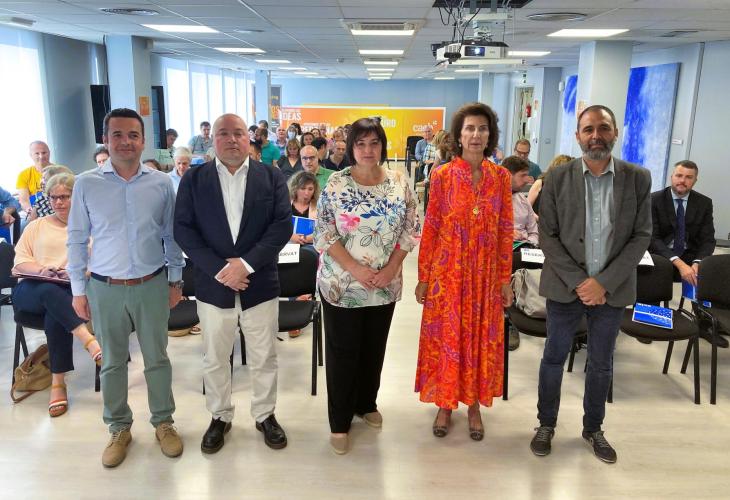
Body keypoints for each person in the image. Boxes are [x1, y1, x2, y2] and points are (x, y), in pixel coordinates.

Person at [531, 105, 652, 464]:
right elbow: (548, 236)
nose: (596, 135)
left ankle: (593, 428)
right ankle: (546, 424)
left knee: (601, 362)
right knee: (554, 357)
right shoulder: (557, 177)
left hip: (611, 291)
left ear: (615, 132)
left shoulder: (637, 178)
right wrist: (581, 282)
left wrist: (603, 283)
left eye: (603, 128)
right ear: (578, 135)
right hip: (565, 287)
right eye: (588, 129)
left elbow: (641, 235)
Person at [67, 107, 185, 468]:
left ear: (143, 140)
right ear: (105, 139)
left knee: (157, 359)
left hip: (152, 283)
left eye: (133, 135)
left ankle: (163, 422)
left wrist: (175, 279)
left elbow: (172, 236)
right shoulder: (86, 183)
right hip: (105, 288)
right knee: (112, 362)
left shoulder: (160, 183)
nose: (125, 142)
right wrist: (78, 290)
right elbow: (77, 238)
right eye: (117, 134)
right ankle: (119, 427)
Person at [174, 113, 292, 455]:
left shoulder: (270, 176)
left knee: (264, 356)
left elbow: (281, 226)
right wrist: (221, 269)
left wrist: (246, 264)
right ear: (213, 140)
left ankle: (265, 414)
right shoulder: (194, 179)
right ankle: (220, 416)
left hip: (260, 283)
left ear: (248, 138)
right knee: (215, 357)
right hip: (214, 286)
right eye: (223, 133)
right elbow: (183, 230)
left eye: (238, 133)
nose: (231, 139)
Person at [314, 117, 420, 455]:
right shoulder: (336, 183)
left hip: (384, 285)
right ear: (351, 148)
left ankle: (366, 403)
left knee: (374, 348)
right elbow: (324, 233)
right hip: (342, 285)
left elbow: (411, 229)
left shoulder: (399, 182)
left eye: (374, 143)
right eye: (360, 143)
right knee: (343, 353)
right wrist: (355, 268)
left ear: (383, 147)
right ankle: (340, 421)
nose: (368, 150)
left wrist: (391, 268)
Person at [414, 102, 513, 442]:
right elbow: (431, 227)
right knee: (448, 339)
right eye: (470, 128)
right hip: (448, 274)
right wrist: (424, 277)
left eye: (482, 129)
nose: (476, 135)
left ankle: (473, 405)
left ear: (490, 135)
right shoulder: (442, 176)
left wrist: (504, 279)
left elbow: (505, 230)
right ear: (459, 135)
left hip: (485, 276)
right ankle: (445, 403)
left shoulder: (501, 178)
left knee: (479, 340)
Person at [13, 172, 102, 417]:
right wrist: (42, 270)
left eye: (65, 196)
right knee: (48, 290)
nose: (59, 202)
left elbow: (98, 265)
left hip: (68, 293)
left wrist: (77, 273)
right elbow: (20, 261)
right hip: (30, 290)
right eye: (54, 197)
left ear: (77, 196)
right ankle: (89, 341)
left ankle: (58, 384)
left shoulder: (90, 228)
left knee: (56, 313)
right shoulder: (36, 226)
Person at [648, 160, 722, 347]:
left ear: (695, 180)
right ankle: (650, 320)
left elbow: (708, 239)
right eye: (679, 175)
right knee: (653, 266)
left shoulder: (704, 203)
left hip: (690, 254)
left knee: (708, 270)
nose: (682, 180)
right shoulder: (654, 199)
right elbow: (652, 238)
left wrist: (697, 262)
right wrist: (679, 263)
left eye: (689, 177)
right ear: (671, 177)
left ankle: (704, 324)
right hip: (661, 253)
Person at [503, 156, 539, 247]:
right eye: (523, 175)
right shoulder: (490, 199)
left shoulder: (523, 200)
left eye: (527, 175)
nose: (527, 180)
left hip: (524, 247)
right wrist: (506, 232)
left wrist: (529, 245)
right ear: (508, 175)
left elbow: (534, 232)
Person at [17, 141, 51, 214]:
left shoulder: (61, 171)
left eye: (44, 153)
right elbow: (24, 200)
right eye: (37, 153)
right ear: (31, 155)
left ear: (49, 153)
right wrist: (29, 210)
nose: (41, 156)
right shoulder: (24, 175)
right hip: (35, 211)